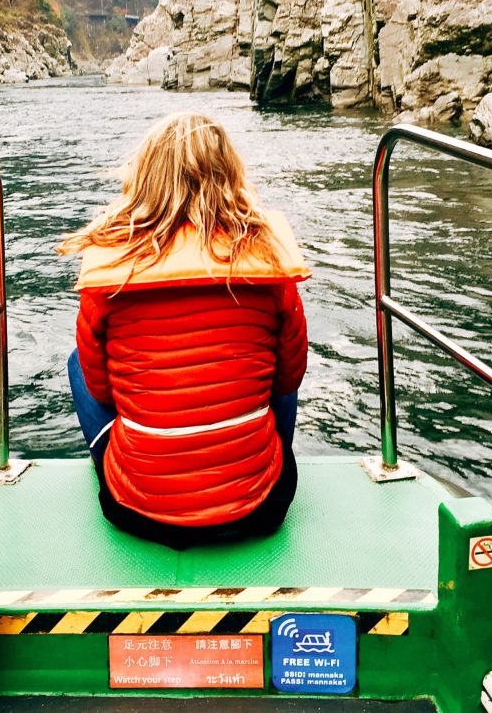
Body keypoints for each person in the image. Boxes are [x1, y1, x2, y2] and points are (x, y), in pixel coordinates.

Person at [58, 112, 309, 549]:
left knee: (78, 362)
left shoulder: (111, 269)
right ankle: (249, 458)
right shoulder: (268, 262)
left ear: (146, 178)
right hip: (260, 507)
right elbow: (290, 378)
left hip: (136, 511)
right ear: (230, 174)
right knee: (279, 361)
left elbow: (101, 391)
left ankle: (152, 469)